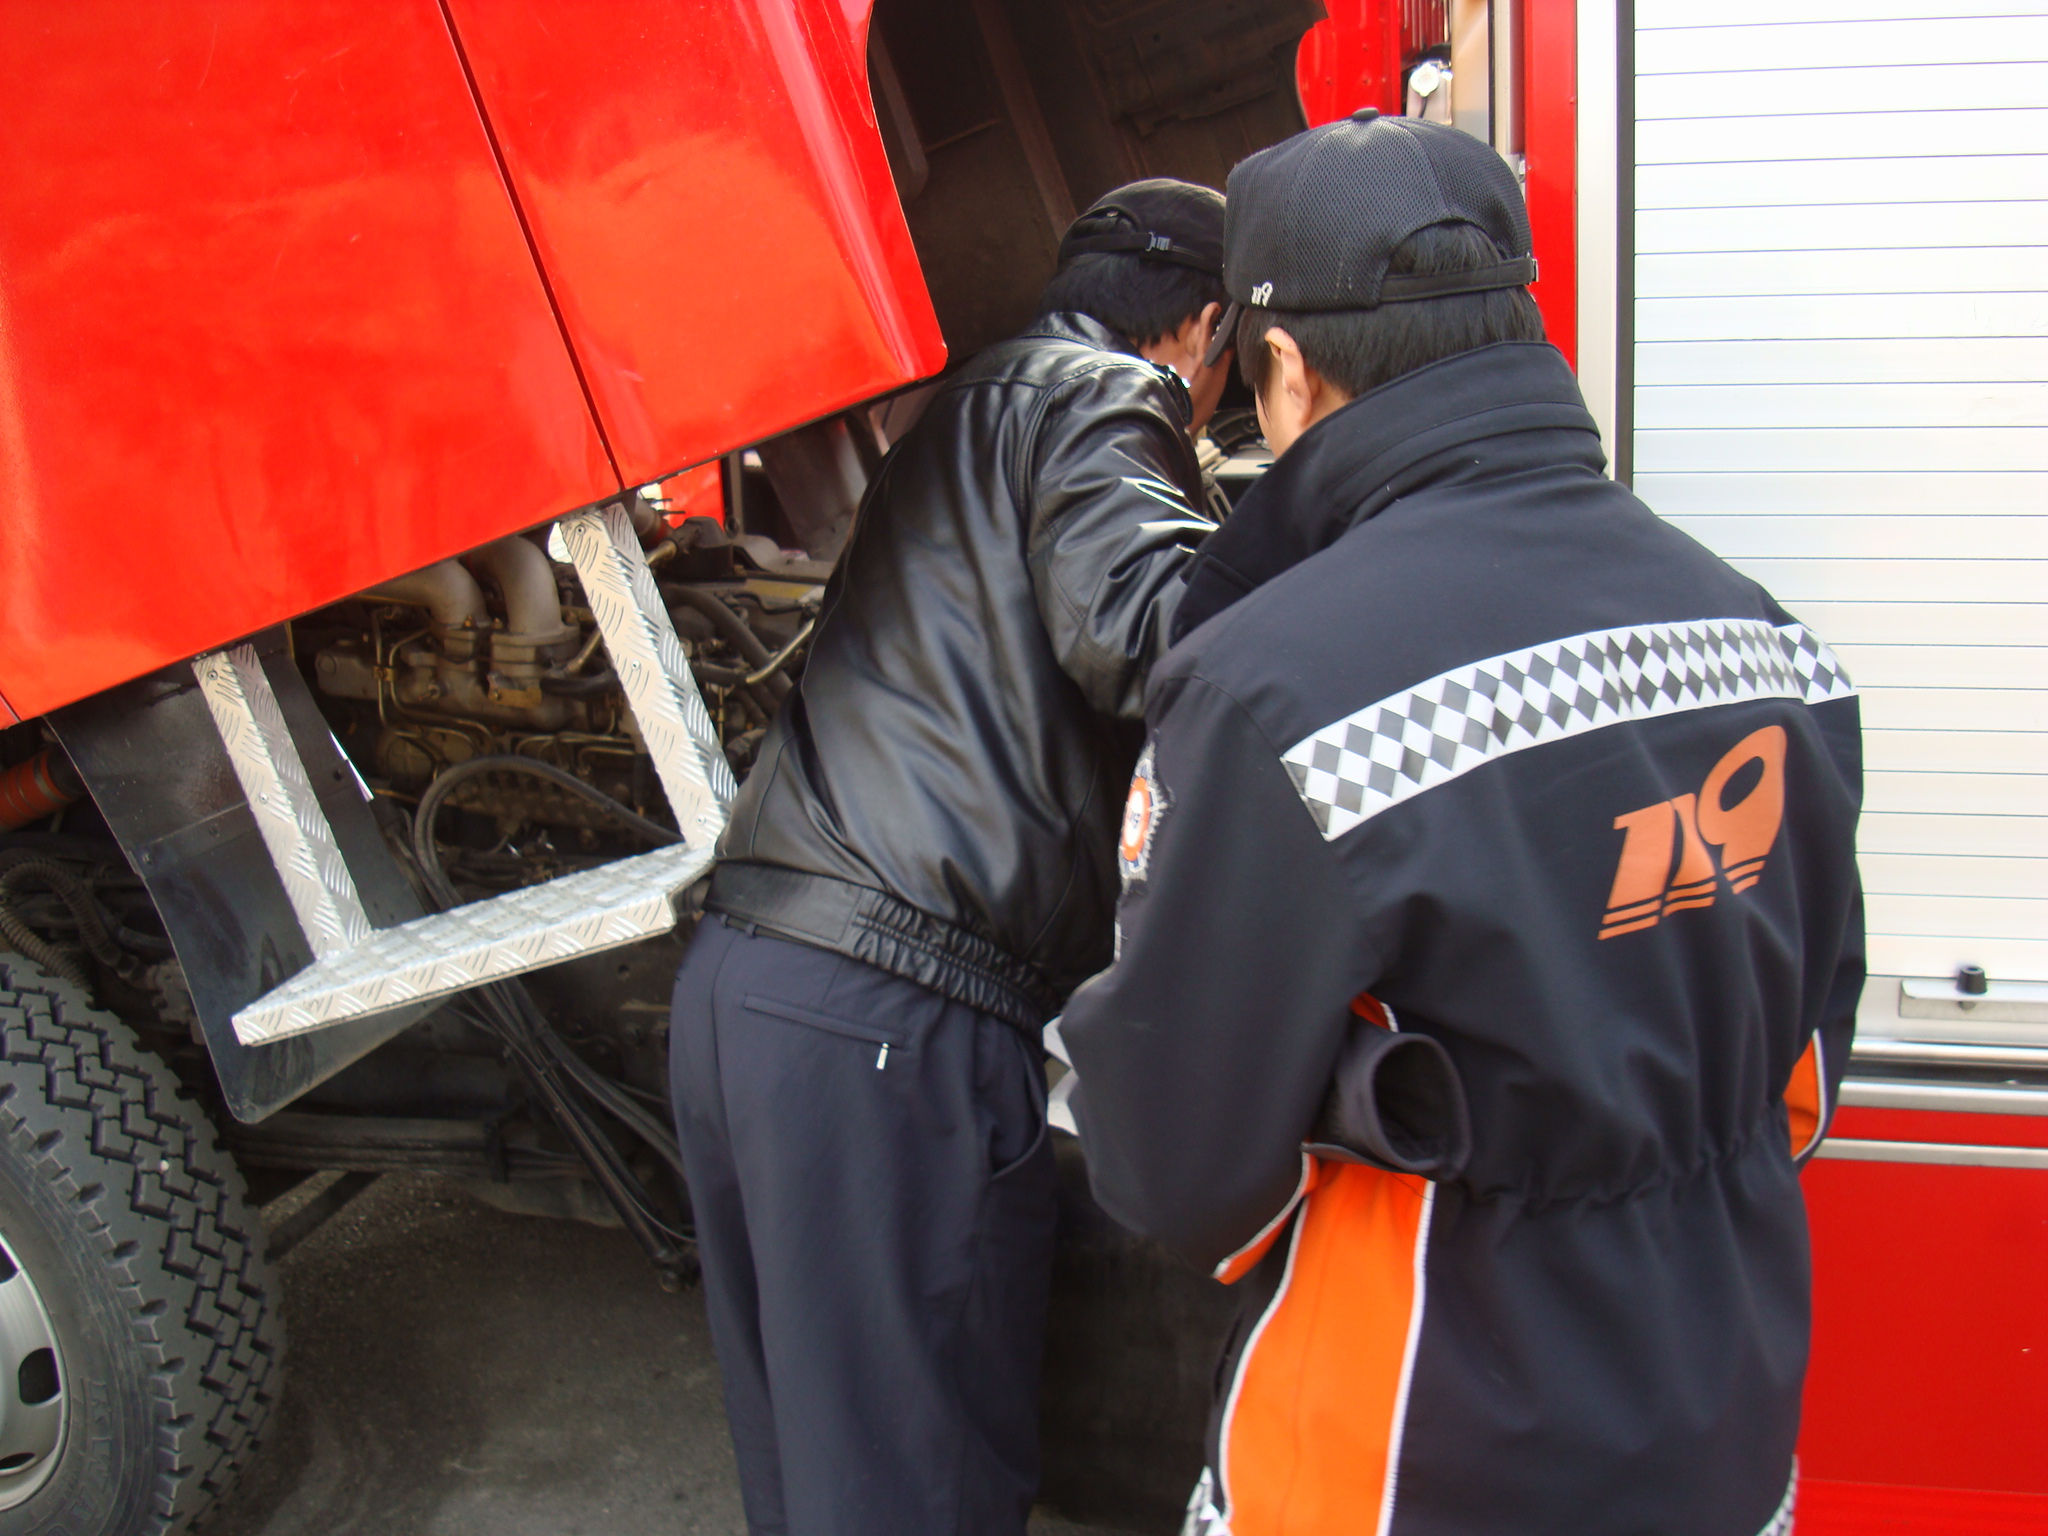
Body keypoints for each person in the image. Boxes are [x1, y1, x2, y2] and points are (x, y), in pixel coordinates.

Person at [1057, 113, 1864, 1536]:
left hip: (1410, 1464)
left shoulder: (1277, 692)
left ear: (1286, 367)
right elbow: (1802, 1071)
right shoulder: (1771, 648)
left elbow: (1174, 1172)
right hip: (1728, 1439)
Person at [669, 179, 1232, 1536]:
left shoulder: (962, 407)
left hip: (753, 989)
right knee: (920, 1486)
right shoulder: (1109, 394)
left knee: (824, 1477)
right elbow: (1153, 634)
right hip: (891, 1012)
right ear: (1207, 328)